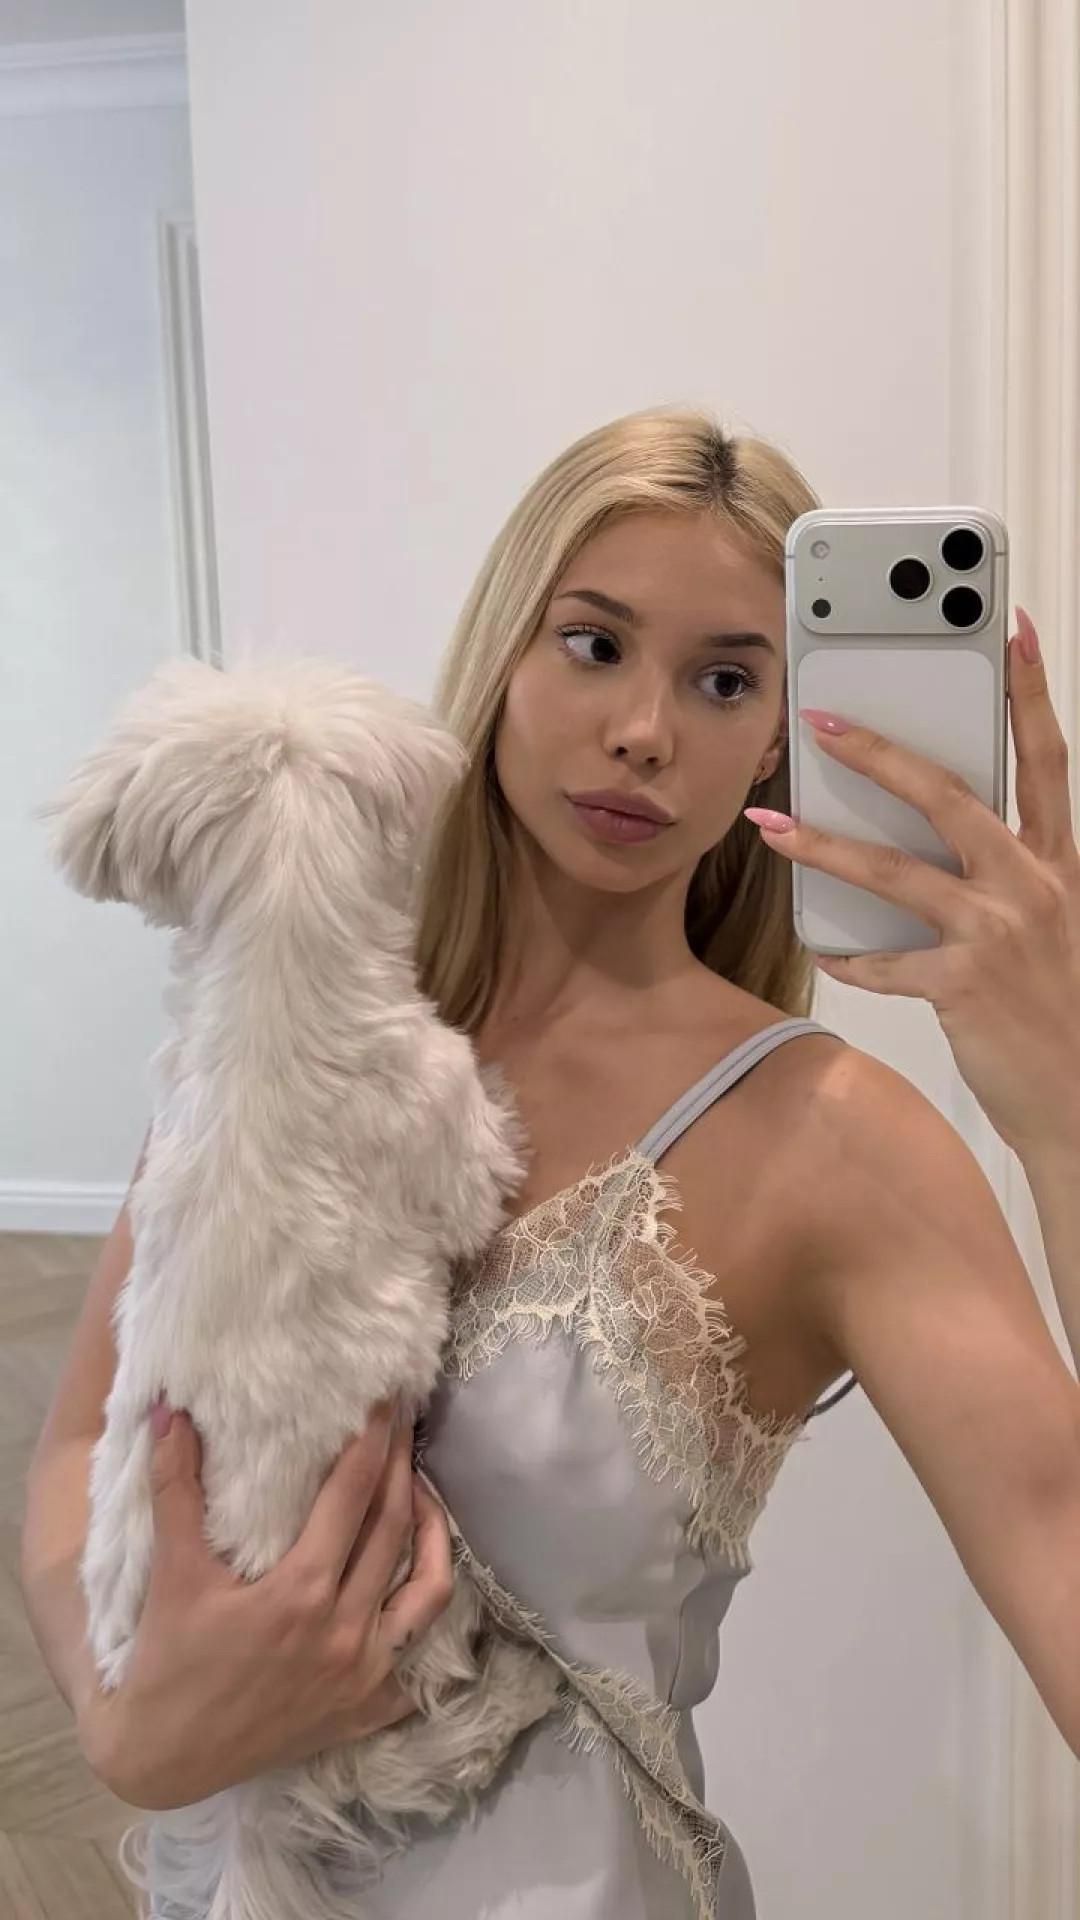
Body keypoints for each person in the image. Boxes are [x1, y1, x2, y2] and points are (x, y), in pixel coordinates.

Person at [21, 405, 1080, 1919]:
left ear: (780, 734)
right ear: (507, 653)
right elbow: (84, 1442)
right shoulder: (298, 1003)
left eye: (725, 680)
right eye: (594, 644)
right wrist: (130, 1726)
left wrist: (1065, 1113)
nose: (645, 728)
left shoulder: (831, 1141)